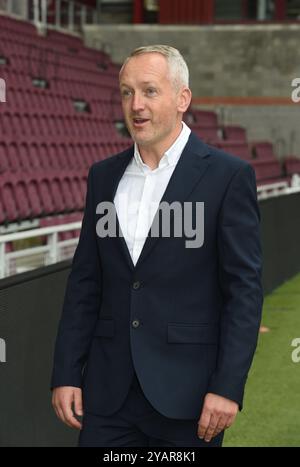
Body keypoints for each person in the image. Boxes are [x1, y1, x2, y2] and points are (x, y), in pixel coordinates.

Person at [51, 45, 263, 447]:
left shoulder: (228, 177)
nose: (136, 105)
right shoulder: (103, 177)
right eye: (127, 92)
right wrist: (65, 371)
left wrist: (228, 386)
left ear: (183, 98)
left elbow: (244, 292)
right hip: (107, 396)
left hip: (189, 398)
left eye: (149, 91)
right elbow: (85, 283)